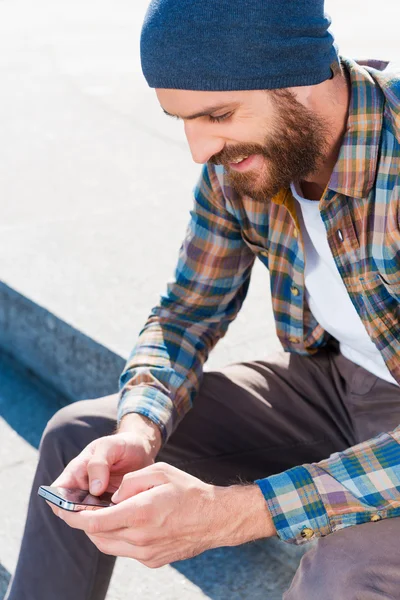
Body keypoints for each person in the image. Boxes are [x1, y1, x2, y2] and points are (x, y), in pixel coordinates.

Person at [6, 0, 400, 598]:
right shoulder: (239, 163)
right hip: (338, 386)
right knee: (80, 435)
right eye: (183, 120)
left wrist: (231, 512)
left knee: (346, 572)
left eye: (217, 114)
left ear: (299, 72)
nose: (199, 149)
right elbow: (186, 314)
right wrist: (139, 429)